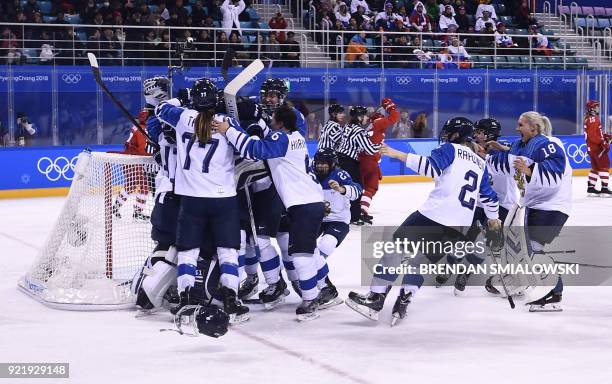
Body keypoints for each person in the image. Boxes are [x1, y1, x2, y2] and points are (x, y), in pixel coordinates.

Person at [346, 117, 501, 326]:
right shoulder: (480, 163)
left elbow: (430, 168)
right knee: (421, 263)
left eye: (448, 133)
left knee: (395, 249)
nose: (445, 136)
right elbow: (489, 198)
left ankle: (375, 298)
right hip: (459, 226)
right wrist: (493, 220)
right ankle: (404, 300)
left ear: (456, 135)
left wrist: (395, 153)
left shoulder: (450, 149)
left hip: (433, 215)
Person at [214, 104, 326, 321]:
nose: (270, 121)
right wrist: (253, 114)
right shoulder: (294, 137)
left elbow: (254, 150)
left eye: (272, 118)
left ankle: (311, 300)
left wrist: (228, 129)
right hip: (308, 202)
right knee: (307, 252)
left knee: (301, 256)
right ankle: (321, 290)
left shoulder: (282, 140)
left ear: (281, 123)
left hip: (305, 204)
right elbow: (267, 135)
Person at [154, 78, 249, 324]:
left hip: (193, 200)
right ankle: (231, 298)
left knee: (188, 253)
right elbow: (244, 150)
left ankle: (186, 299)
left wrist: (180, 97)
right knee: (228, 252)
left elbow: (160, 109)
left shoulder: (184, 117)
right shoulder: (226, 123)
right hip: (224, 200)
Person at [485, 111, 572, 312]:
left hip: (552, 207)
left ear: (533, 128)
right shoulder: (522, 145)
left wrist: (531, 171)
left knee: (532, 250)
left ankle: (554, 292)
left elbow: (556, 171)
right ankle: (519, 281)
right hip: (532, 205)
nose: (517, 128)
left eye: (521, 125)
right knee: (516, 246)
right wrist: (488, 155)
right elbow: (509, 163)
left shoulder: (549, 144)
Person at [312, 148, 362, 308]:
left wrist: (342, 189)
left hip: (338, 221)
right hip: (316, 219)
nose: (320, 167)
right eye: (318, 163)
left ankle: (326, 288)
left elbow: (357, 191)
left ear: (333, 164)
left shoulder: (341, 175)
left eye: (324, 164)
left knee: (323, 248)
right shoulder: (310, 174)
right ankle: (314, 283)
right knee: (302, 251)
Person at [336, 106, 380, 224]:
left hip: (340, 159)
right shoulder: (359, 131)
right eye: (365, 115)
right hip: (349, 162)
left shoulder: (348, 126)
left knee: (346, 187)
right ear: (359, 117)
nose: (367, 118)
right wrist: (380, 146)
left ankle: (347, 214)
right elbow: (369, 149)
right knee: (357, 188)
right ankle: (354, 217)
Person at [359, 98, 399, 224]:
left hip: (363, 160)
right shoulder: (378, 123)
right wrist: (390, 107)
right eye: (382, 117)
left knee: (361, 187)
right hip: (369, 160)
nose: (384, 120)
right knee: (371, 187)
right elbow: (393, 118)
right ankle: (362, 211)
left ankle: (356, 209)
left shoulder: (371, 127)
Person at [109, 109, 154, 221]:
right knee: (144, 185)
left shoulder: (137, 128)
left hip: (128, 160)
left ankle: (115, 208)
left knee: (131, 185)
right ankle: (138, 213)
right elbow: (143, 150)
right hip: (134, 161)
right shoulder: (143, 130)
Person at [583, 100, 611, 196]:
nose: (597, 109)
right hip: (597, 148)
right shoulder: (594, 119)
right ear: (591, 109)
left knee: (595, 168)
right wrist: (603, 142)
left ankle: (591, 188)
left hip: (591, 148)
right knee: (604, 166)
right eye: (596, 107)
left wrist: (605, 136)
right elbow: (593, 136)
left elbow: (595, 134)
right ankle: (604, 189)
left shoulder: (588, 118)